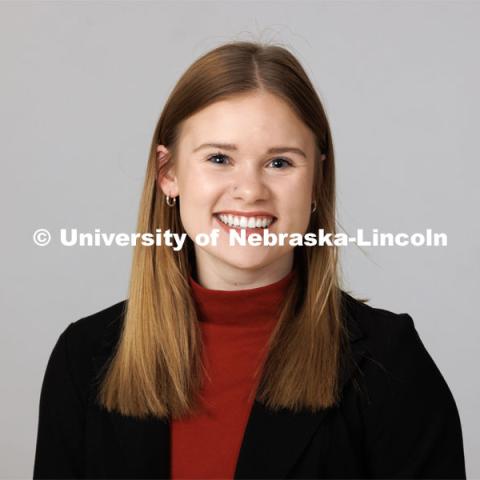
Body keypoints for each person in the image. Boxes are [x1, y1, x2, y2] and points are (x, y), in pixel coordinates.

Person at [33, 41, 466, 479]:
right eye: (219, 158)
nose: (250, 190)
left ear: (316, 180)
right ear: (169, 175)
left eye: (279, 162)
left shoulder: (390, 363)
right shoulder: (83, 358)